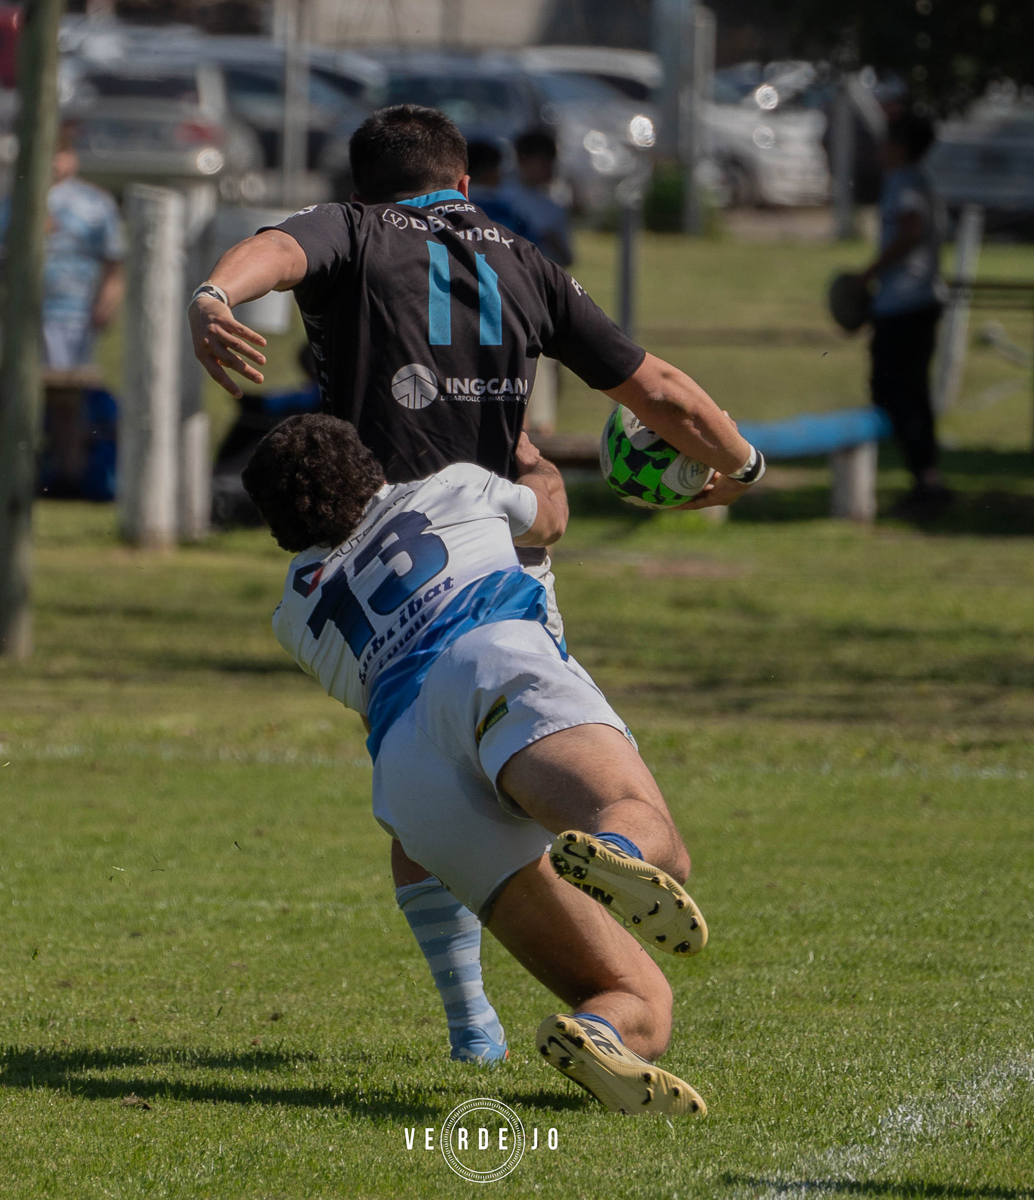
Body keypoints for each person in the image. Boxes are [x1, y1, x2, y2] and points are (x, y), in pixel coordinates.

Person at [187, 103, 766, 1065]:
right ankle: (614, 854)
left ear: (363, 189)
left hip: (373, 606)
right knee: (633, 822)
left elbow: (277, 248)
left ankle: (473, 1023)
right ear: (462, 185)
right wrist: (737, 467)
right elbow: (654, 392)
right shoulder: (525, 257)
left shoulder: (352, 229)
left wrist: (213, 295)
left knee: (425, 779)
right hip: (491, 568)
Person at [245, 411, 709, 1116]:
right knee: (658, 845)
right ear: (368, 466)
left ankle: (599, 1029)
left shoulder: (293, 619)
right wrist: (534, 460)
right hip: (488, 657)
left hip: (410, 769)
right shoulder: (454, 487)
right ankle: (613, 849)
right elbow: (549, 519)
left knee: (644, 997)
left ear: (279, 528)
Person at [862, 110, 949, 519]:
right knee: (905, 392)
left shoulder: (907, 182)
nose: (880, 150)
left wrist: (868, 274)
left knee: (897, 392)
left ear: (900, 147)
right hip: (912, 302)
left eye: (887, 142)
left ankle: (925, 481)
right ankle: (924, 478)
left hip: (906, 303)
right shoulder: (913, 180)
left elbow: (910, 230)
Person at [0, 126, 125, 370]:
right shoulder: (14, 200)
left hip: (74, 315)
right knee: (16, 377)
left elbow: (112, 260)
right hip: (19, 313)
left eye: (61, 153)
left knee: (68, 386)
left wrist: (106, 303)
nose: (55, 162)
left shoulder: (95, 202)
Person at [495, 130, 573, 267]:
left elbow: (568, 259)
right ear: (522, 160)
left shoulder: (554, 206)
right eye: (543, 162)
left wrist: (554, 244)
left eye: (551, 162)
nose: (549, 169)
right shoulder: (502, 197)